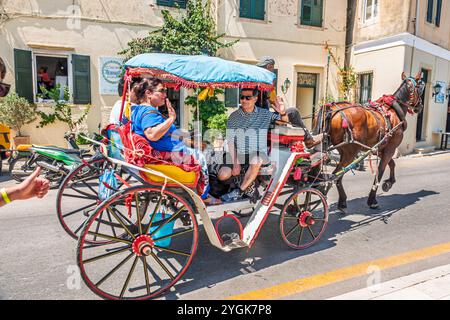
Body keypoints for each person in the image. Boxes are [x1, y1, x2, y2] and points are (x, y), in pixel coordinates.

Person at [130, 78, 210, 199]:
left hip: (169, 150)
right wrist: (171, 119)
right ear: (148, 93)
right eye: (161, 91)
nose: (165, 95)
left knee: (202, 149)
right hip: (169, 155)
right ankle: (203, 195)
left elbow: (164, 133)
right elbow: (152, 134)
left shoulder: (139, 109)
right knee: (203, 156)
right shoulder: (149, 112)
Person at [219, 87, 289, 202]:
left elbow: (284, 122)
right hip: (238, 152)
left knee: (256, 160)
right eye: (242, 97)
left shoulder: (265, 114)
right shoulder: (233, 117)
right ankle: (248, 185)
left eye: (248, 97)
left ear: (255, 99)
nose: (244, 100)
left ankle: (239, 191)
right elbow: (230, 141)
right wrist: (236, 162)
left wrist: (282, 112)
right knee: (223, 175)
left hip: (258, 153)